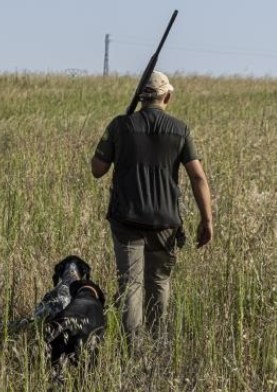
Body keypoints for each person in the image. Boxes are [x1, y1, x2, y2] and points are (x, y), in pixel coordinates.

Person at [90, 71, 213, 345]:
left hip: (126, 222)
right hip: (165, 224)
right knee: (159, 284)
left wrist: (114, 136)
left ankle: (134, 352)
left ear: (140, 98)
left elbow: (97, 169)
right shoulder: (180, 130)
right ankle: (160, 347)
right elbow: (198, 177)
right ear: (166, 96)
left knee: (130, 286)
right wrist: (207, 220)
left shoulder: (120, 126)